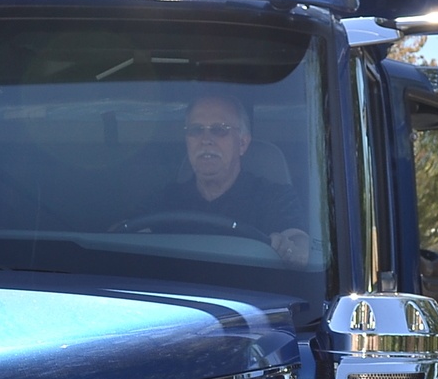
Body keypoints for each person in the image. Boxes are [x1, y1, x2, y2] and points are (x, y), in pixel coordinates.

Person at [131, 93, 311, 265]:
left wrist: (291, 249)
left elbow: (297, 240)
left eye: (219, 130)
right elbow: (123, 236)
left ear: (242, 143)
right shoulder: (165, 199)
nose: (206, 140)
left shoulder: (274, 198)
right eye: (196, 130)